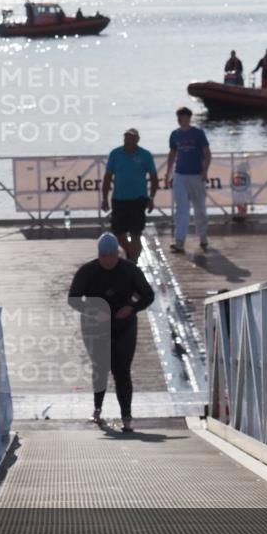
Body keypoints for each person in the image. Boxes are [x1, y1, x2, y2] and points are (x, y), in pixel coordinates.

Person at [68, 233, 155, 432]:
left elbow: (148, 295)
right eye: (103, 256)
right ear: (99, 255)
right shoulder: (87, 271)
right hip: (94, 327)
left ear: (118, 253)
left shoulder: (129, 270)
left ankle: (126, 416)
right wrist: (92, 312)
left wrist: (132, 308)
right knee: (100, 368)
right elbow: (73, 298)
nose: (108, 260)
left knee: (122, 371)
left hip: (124, 326)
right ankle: (97, 409)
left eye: (112, 256)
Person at [101, 128, 158, 264]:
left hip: (138, 200)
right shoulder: (115, 154)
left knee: (135, 234)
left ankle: (133, 262)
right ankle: (129, 254)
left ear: (137, 139)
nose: (128, 140)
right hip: (119, 199)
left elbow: (154, 177)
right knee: (119, 233)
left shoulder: (145, 155)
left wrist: (151, 198)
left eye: (132, 138)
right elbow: (107, 177)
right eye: (126, 137)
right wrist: (104, 198)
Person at [164, 107, 211, 254]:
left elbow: (207, 153)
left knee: (199, 208)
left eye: (182, 117)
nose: (179, 120)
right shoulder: (175, 134)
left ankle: (203, 236)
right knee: (181, 209)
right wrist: (168, 172)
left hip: (196, 175)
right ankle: (179, 241)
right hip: (180, 175)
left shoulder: (198, 133)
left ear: (189, 118)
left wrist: (205, 170)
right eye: (178, 117)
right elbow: (172, 153)